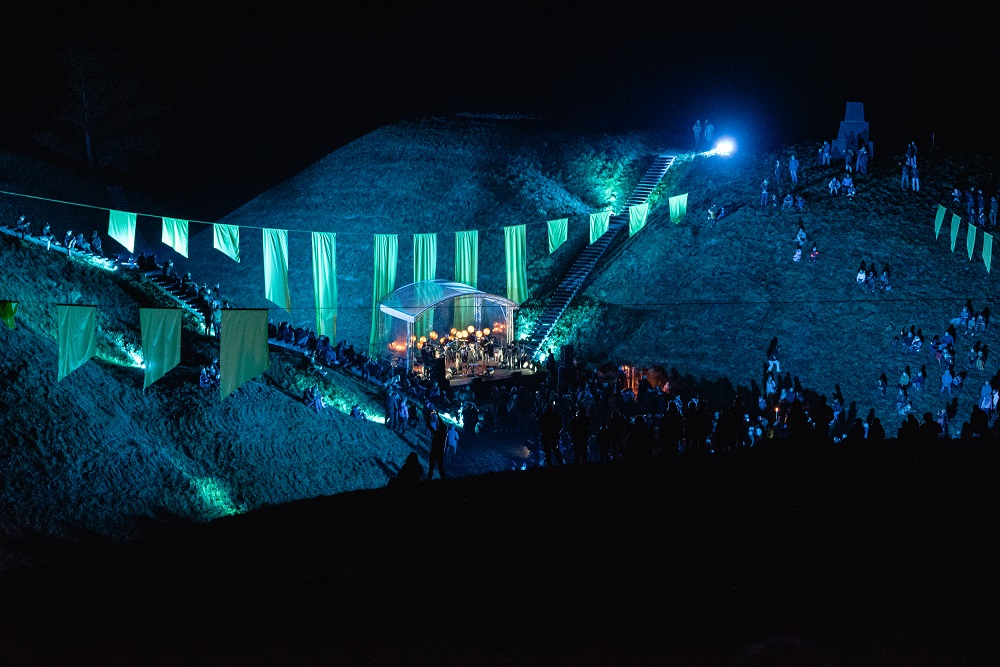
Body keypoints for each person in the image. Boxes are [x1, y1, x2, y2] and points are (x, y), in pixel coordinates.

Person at [539, 402, 564, 466]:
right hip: (554, 436)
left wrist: (544, 432)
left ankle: (549, 465)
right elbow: (560, 426)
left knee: (548, 451)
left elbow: (540, 426)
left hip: (547, 436)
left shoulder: (543, 416)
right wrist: (557, 432)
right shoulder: (556, 416)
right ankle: (561, 463)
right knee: (556, 450)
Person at [427, 412, 448, 480]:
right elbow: (442, 424)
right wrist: (438, 415)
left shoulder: (437, 433)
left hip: (434, 450)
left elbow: (429, 426)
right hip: (441, 451)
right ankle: (443, 478)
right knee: (440, 465)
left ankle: (429, 478)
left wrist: (428, 417)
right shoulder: (445, 434)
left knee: (431, 465)